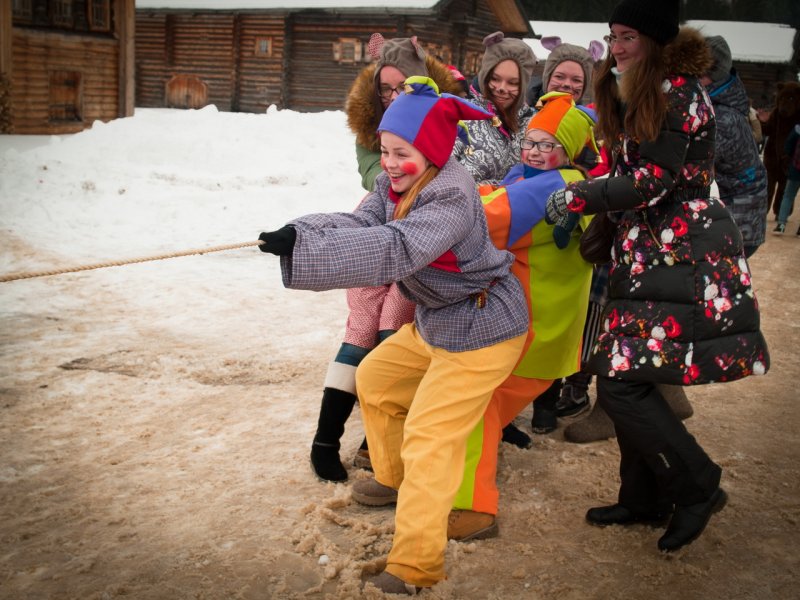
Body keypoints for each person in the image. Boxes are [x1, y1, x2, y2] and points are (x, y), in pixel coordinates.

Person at [258, 78, 529, 594]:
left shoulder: (450, 196)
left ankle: (415, 565)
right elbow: (363, 222)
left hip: (482, 328)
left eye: (400, 152)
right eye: (384, 151)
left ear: (431, 151)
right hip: (439, 321)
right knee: (377, 378)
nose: (388, 163)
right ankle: (395, 478)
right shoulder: (399, 181)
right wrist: (300, 232)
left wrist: (311, 252)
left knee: (430, 435)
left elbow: (394, 248)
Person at [544, 0, 770, 553]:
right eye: (613, 36)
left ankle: (697, 484)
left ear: (655, 40)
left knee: (622, 381)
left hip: (675, 249)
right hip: (647, 247)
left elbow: (653, 181)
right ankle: (643, 497)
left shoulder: (675, 93)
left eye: (629, 36)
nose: (617, 47)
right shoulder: (646, 88)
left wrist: (577, 196)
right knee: (630, 375)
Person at [311, 34, 463, 482]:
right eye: (385, 88)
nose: (394, 96)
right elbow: (376, 174)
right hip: (380, 221)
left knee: (394, 326)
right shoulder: (369, 130)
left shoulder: (445, 121)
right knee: (360, 324)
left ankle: (375, 439)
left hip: (422, 232)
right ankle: (325, 439)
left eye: (403, 86)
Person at [447, 91, 597, 540]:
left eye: (547, 144)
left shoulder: (552, 187)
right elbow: (498, 191)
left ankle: (474, 508)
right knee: (478, 403)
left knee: (478, 404)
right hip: (535, 324)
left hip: (533, 327)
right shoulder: (540, 177)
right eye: (529, 141)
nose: (533, 150)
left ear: (568, 152)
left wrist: (430, 200)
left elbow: (488, 216)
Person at [701, 35, 768, 258]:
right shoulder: (720, 105)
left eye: (695, 72)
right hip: (737, 215)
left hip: (738, 220)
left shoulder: (723, 118)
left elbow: (691, 165)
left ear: (710, 74)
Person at [453, 31, 537, 184]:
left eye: (513, 83)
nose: (502, 88)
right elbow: (440, 177)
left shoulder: (533, 125)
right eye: (495, 79)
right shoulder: (461, 116)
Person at [773, 123, 800, 235]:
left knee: (788, 196)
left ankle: (781, 224)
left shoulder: (798, 128)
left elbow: (788, 146)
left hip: (796, 168)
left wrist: (789, 160)